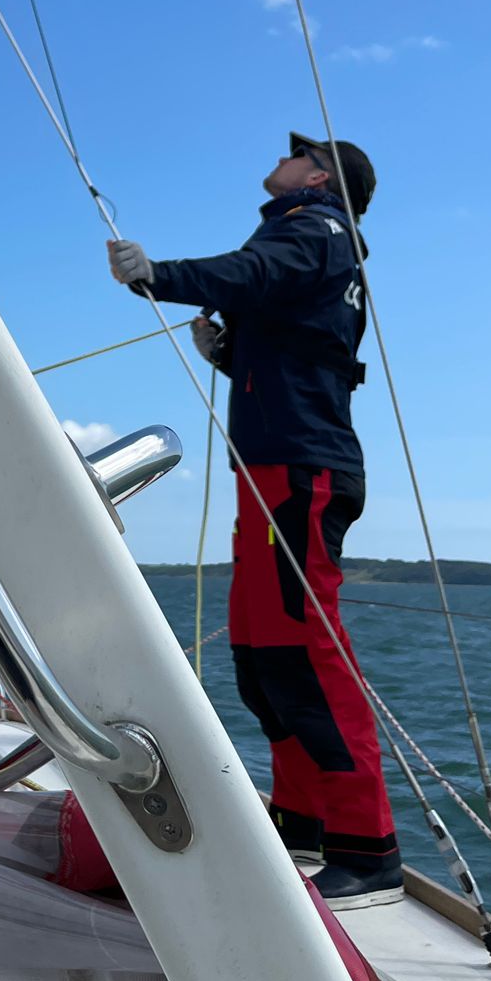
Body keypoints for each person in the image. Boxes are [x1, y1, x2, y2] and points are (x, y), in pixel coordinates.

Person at [106, 133, 402, 909]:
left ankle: (367, 852)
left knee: (304, 654)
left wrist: (157, 276)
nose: (279, 158)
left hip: (299, 472)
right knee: (263, 657)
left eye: (296, 152)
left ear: (319, 176)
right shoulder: (314, 240)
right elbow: (302, 347)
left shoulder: (317, 229)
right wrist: (228, 354)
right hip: (275, 469)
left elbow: (256, 275)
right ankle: (302, 823)